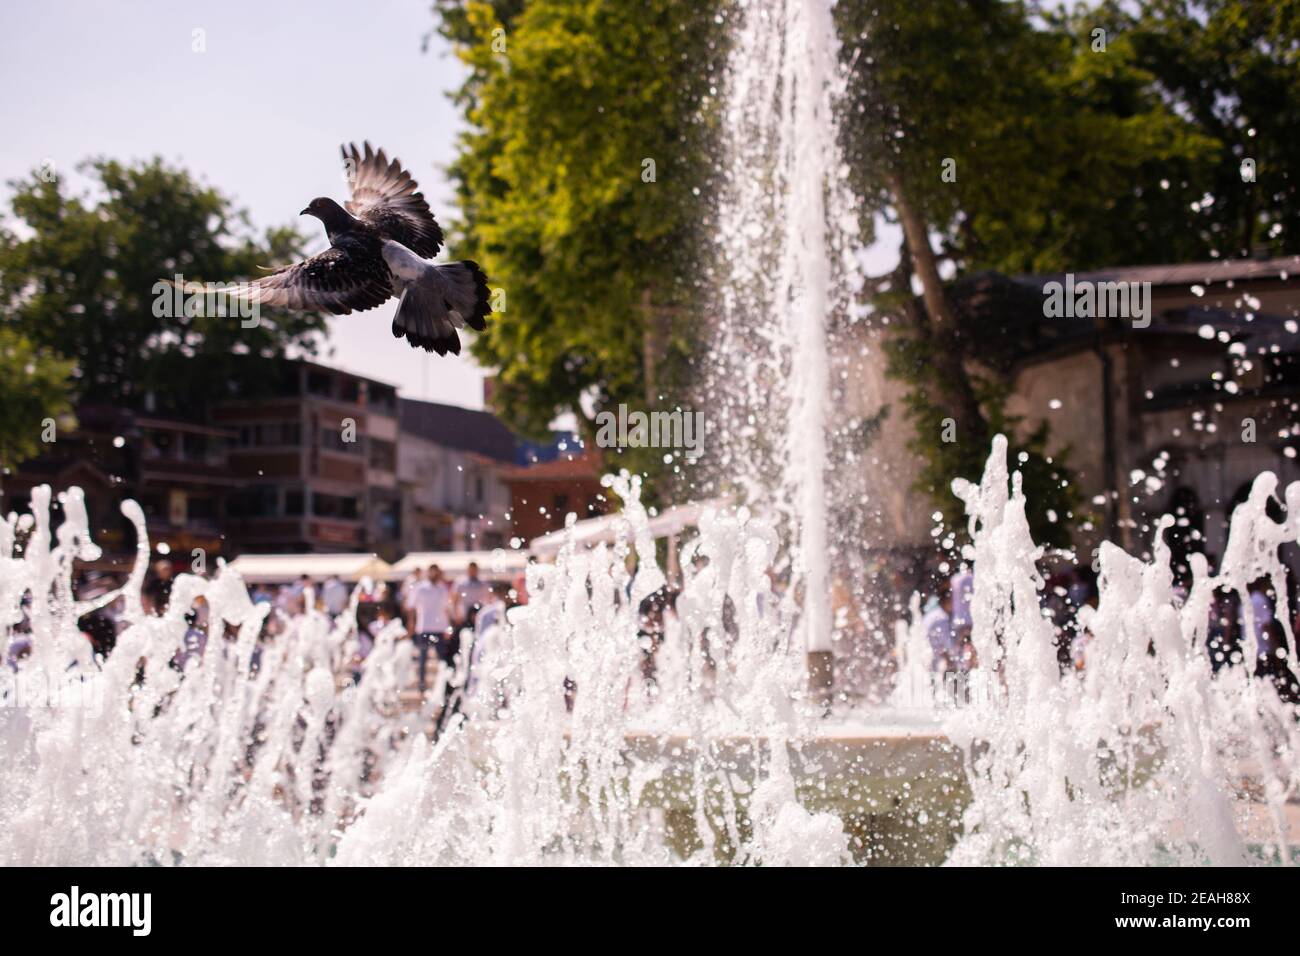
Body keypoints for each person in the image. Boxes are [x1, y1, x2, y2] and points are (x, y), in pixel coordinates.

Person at [406, 566, 452, 695]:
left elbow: (447, 608)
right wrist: (411, 624)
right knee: (422, 658)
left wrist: (448, 626)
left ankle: (445, 684)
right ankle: (422, 684)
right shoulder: (420, 588)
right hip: (424, 626)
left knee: (442, 658)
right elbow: (411, 607)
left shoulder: (442, 588)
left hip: (439, 627)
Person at [452, 562, 492, 629]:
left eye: (474, 570)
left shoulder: (483, 581)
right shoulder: (461, 582)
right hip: (465, 614)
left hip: (480, 612)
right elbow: (455, 599)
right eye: (471, 570)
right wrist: (456, 614)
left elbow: (489, 597)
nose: (473, 572)